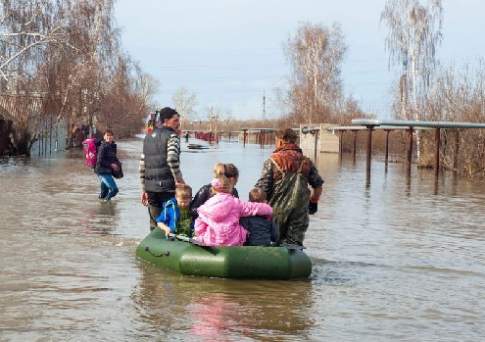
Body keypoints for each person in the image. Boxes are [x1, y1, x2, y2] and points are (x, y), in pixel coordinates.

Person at [255, 128, 324, 246]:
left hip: (276, 214)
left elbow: (262, 190)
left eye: (276, 141)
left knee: (274, 245)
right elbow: (318, 187)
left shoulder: (272, 161)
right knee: (294, 246)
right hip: (300, 215)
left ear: (281, 141)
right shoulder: (306, 162)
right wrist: (313, 202)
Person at [194, 171, 272, 246]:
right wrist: (269, 210)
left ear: (213, 190)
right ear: (231, 189)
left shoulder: (207, 205)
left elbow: (199, 224)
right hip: (233, 241)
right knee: (243, 224)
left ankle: (202, 240)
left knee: (203, 228)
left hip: (211, 240)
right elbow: (253, 208)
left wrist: (201, 234)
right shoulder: (236, 203)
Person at [139, 107, 185, 230]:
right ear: (166, 120)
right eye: (175, 120)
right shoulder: (172, 136)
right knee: (170, 223)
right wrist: (179, 181)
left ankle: (151, 246)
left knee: (154, 224)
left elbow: (142, 165)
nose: (178, 123)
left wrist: (143, 188)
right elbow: (172, 159)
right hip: (167, 188)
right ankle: (169, 246)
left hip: (150, 188)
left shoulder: (148, 137)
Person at [95, 129, 119, 201]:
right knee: (114, 190)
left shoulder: (113, 146)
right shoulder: (103, 146)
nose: (109, 137)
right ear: (104, 137)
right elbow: (100, 160)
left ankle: (102, 208)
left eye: (111, 135)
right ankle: (106, 204)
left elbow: (112, 158)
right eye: (107, 135)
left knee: (104, 193)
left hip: (108, 171)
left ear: (113, 137)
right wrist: (111, 165)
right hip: (102, 171)